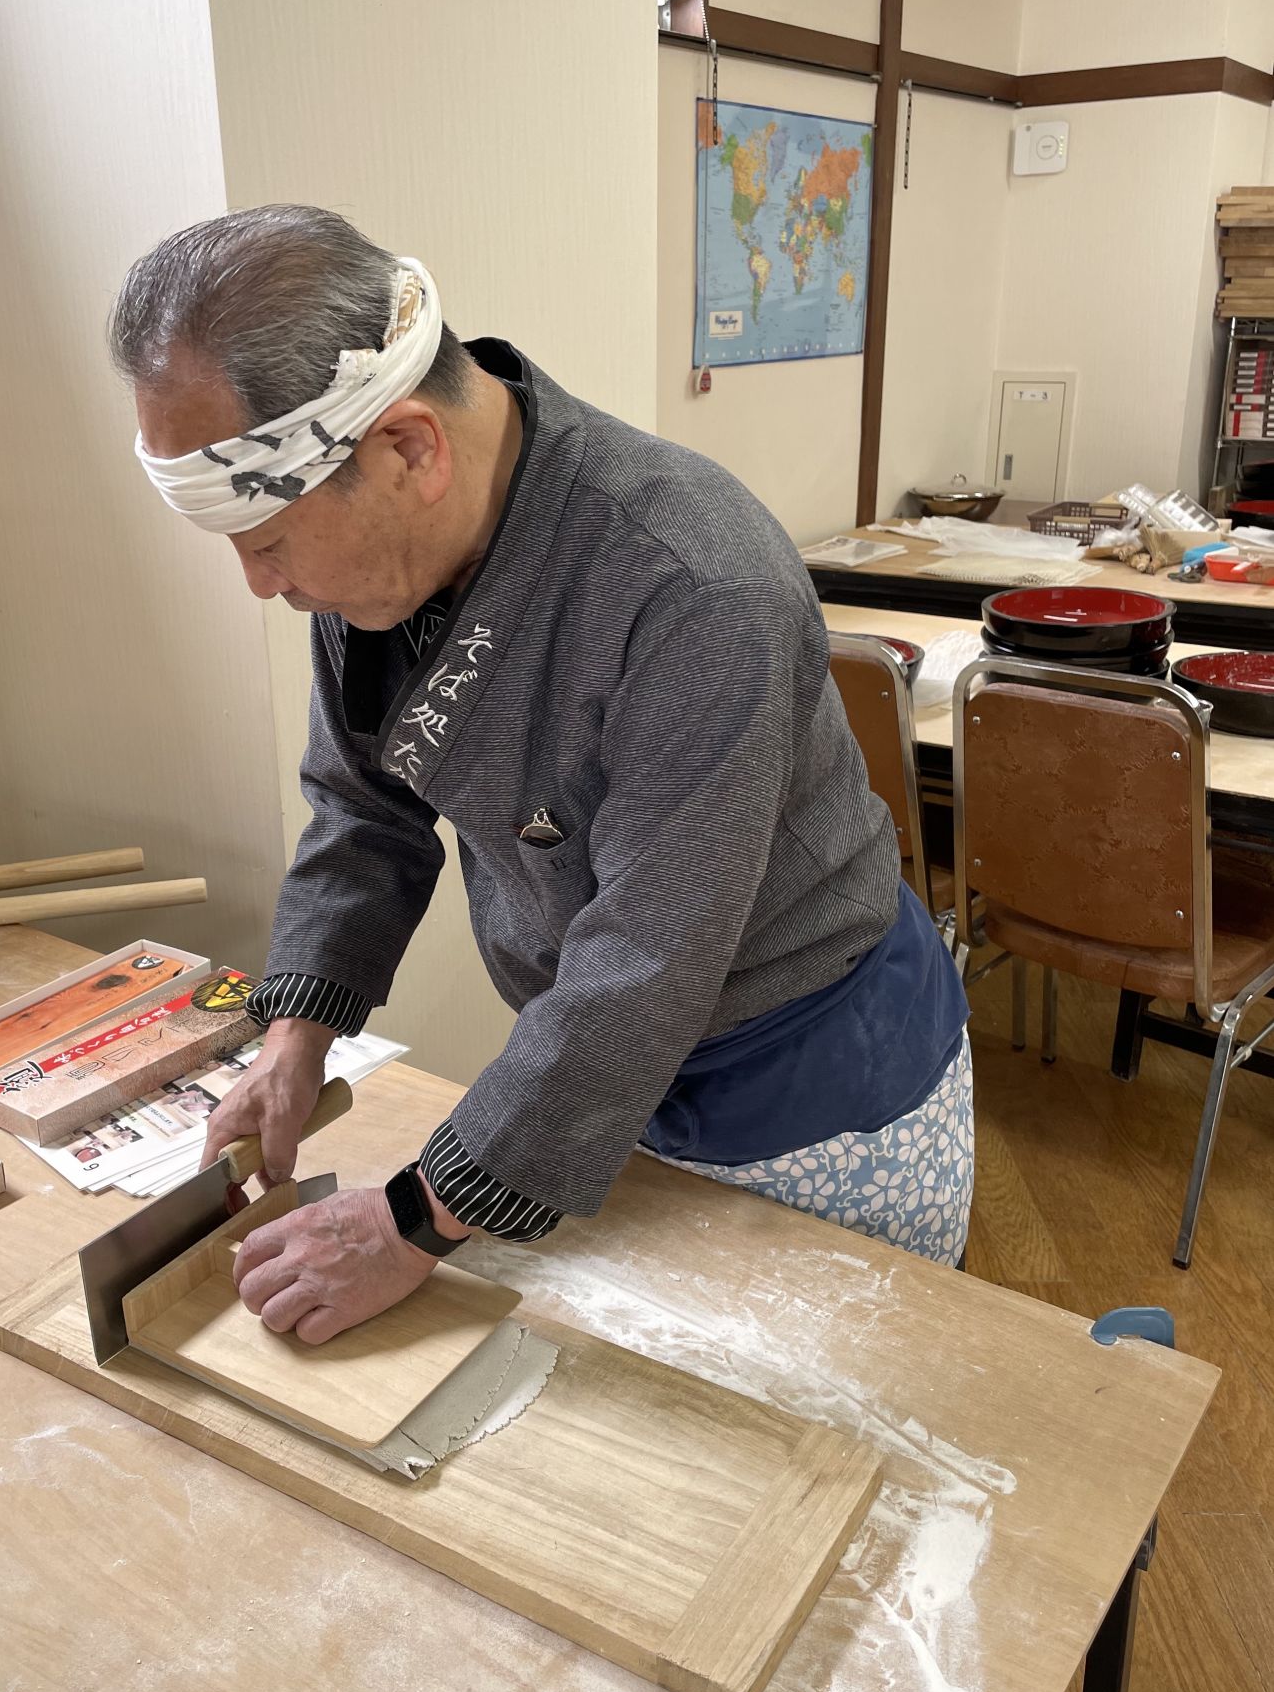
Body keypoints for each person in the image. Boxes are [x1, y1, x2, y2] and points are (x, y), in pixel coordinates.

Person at [110, 206, 972, 1346]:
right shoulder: (378, 563)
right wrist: (295, 1038)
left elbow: (647, 958)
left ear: (409, 447)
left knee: (804, 1405)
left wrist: (410, 1218)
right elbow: (365, 808)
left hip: (802, 1079)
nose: (260, 585)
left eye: (267, 541)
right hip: (597, 1071)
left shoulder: (694, 583)